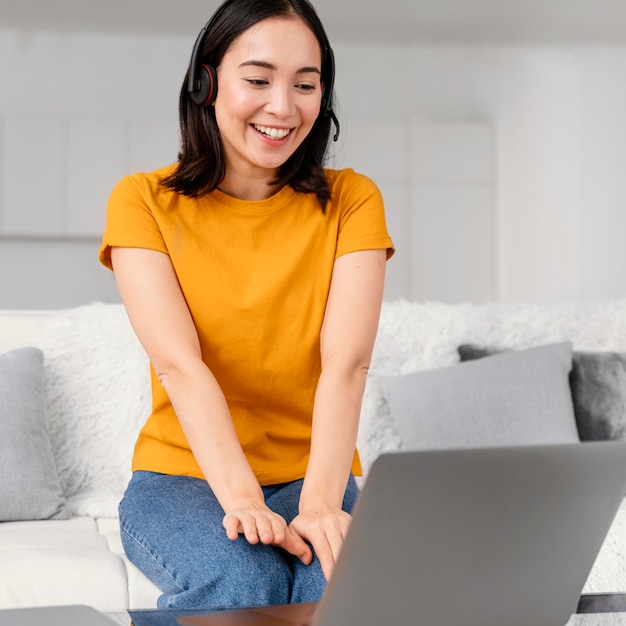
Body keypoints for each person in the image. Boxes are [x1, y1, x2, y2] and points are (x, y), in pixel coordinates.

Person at [98, 0, 394, 611]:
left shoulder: (353, 200)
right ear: (206, 83)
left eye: (305, 85)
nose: (282, 107)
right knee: (244, 585)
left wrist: (320, 505)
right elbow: (181, 365)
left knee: (338, 597)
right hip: (184, 480)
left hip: (316, 476)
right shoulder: (141, 202)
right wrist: (241, 500)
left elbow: (347, 366)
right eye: (257, 80)